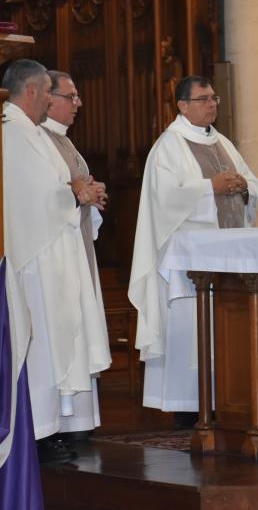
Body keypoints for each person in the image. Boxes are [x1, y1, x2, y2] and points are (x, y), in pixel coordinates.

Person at [128, 75, 258, 419]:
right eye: (203, 99)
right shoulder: (168, 146)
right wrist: (209, 187)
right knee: (192, 332)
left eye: (214, 97)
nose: (212, 103)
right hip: (189, 265)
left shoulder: (223, 144)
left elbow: (254, 184)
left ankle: (224, 401)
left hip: (228, 257)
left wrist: (243, 185)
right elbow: (165, 199)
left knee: (224, 332)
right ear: (182, 105)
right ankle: (187, 409)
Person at [2, 59, 109, 464]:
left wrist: (77, 189)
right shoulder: (12, 133)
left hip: (54, 255)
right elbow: (31, 194)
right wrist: (74, 193)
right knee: (41, 344)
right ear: (32, 91)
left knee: (54, 342)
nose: (51, 99)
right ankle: (39, 433)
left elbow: (58, 184)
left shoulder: (33, 133)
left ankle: (48, 430)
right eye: (48, 91)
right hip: (35, 262)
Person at [40, 70, 111, 443]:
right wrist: (75, 193)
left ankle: (79, 422)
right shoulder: (38, 141)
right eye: (72, 96)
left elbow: (77, 192)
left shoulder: (67, 143)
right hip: (53, 261)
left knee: (80, 332)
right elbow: (42, 197)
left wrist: (92, 197)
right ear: (48, 99)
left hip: (77, 250)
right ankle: (60, 424)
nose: (78, 104)